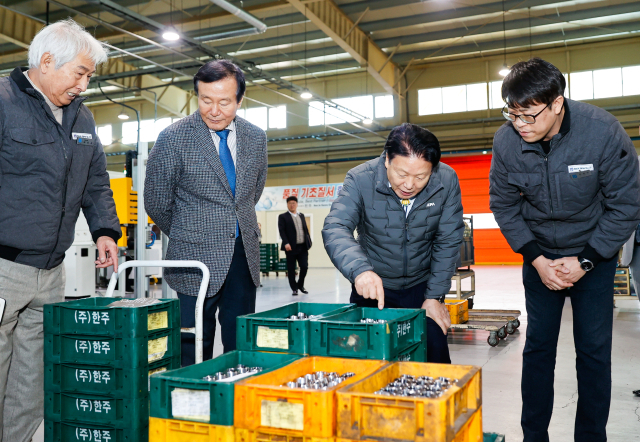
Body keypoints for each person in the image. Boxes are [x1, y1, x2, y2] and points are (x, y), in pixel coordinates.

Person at [489, 58, 640, 442]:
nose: (520, 124)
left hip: (593, 256)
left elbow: (625, 204)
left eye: (529, 115)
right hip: (540, 258)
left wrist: (587, 260)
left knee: (593, 352)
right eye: (512, 114)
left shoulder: (602, 132)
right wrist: (537, 260)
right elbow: (503, 205)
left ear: (557, 104)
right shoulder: (506, 141)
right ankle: (533, 436)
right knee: (538, 349)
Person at [0, 20, 121, 442]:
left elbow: (96, 181)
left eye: (89, 76)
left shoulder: (81, 116)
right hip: (3, 268)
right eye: (81, 73)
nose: (84, 85)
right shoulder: (2, 101)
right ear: (47, 61)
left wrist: (106, 229)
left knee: (31, 382)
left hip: (51, 272)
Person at [145, 59, 268, 366]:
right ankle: (189, 404)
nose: (214, 110)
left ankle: (233, 400)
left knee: (241, 343)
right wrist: (192, 232)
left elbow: (252, 192)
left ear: (240, 100)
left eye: (224, 102)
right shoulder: (174, 138)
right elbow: (156, 201)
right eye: (206, 100)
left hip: (242, 256)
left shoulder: (256, 138)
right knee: (192, 343)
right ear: (196, 95)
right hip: (192, 261)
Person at [322, 123, 464, 363]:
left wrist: (434, 297)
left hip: (423, 288)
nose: (409, 185)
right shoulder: (360, 179)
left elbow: (448, 239)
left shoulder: (446, 180)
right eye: (402, 174)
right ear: (387, 159)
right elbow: (336, 226)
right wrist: (360, 271)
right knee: (366, 364)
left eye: (421, 177)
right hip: (372, 288)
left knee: (435, 363)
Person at [278, 196, 312, 295]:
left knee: (304, 267)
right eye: (290, 203)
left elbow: (305, 230)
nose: (292, 205)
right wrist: (286, 243)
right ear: (287, 204)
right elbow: (282, 231)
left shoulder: (301, 215)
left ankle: (300, 285)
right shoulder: (283, 216)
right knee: (291, 269)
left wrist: (309, 241)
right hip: (290, 248)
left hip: (303, 247)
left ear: (296, 204)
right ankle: (294, 288)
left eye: (293, 203)